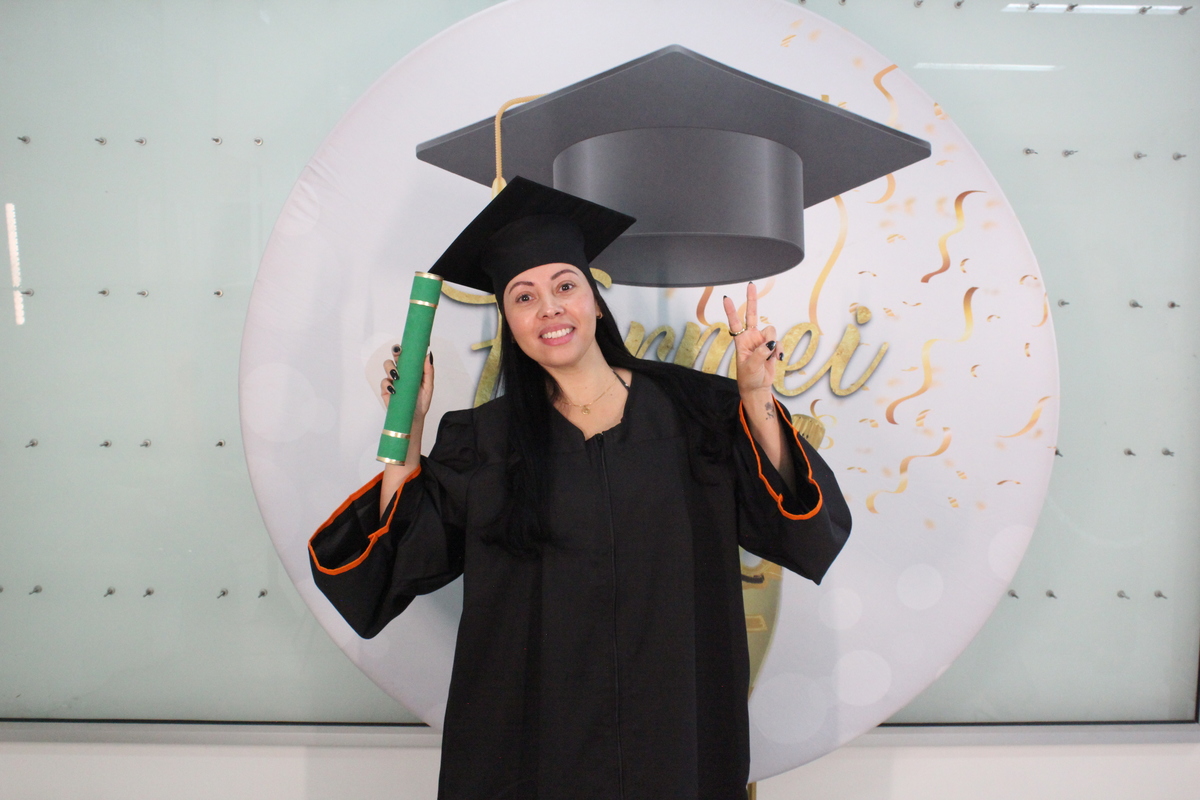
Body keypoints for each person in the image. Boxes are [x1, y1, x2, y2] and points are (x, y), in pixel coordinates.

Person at [308, 178, 851, 800]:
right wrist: (408, 426)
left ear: (595, 301)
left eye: (565, 286)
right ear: (510, 323)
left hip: (672, 732)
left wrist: (755, 397)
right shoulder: (486, 442)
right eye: (524, 297)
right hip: (533, 744)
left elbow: (803, 532)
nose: (549, 308)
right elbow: (390, 565)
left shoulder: (695, 411)